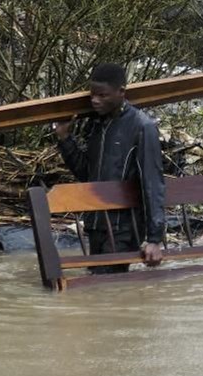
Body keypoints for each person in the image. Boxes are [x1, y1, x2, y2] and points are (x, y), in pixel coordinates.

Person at [53, 63, 166, 273]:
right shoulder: (97, 125)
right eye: (92, 95)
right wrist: (65, 138)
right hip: (96, 223)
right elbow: (87, 174)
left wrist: (154, 238)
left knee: (104, 284)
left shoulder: (142, 127)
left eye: (102, 95)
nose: (95, 100)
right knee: (100, 288)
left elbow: (152, 183)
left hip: (123, 227)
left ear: (121, 92)